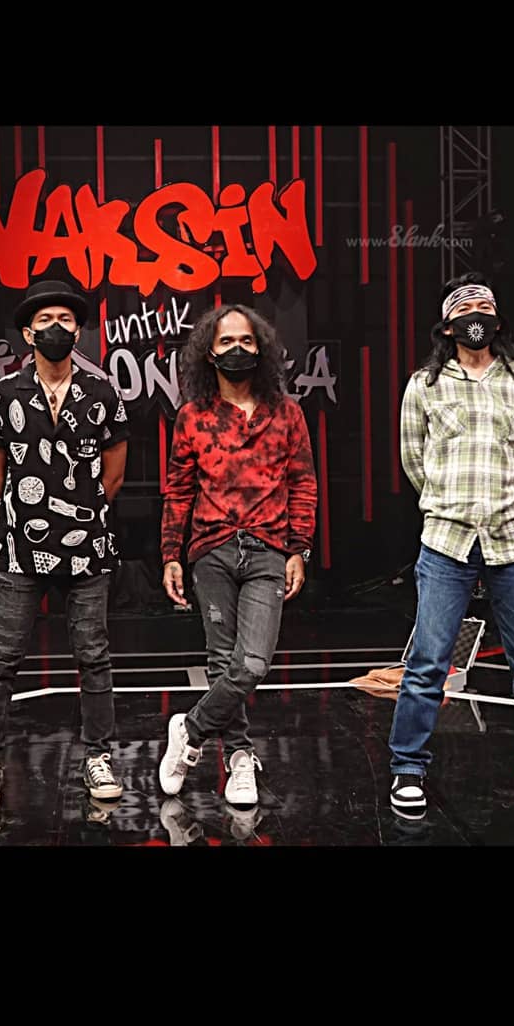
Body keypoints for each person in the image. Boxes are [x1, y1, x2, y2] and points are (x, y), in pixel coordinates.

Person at [388, 273, 514, 821]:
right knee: (428, 663)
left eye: (485, 306)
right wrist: (448, 502)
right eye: (465, 307)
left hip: (513, 537)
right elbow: (413, 460)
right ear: (447, 325)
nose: (476, 315)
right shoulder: (425, 385)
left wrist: (501, 498)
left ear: (498, 321)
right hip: (446, 539)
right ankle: (408, 769)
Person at [0, 279, 129, 809]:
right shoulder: (1, 394)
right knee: (2, 657)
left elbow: (113, 473)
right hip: (19, 545)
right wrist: (28, 512)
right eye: (45, 321)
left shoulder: (103, 392)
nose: (55, 328)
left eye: (65, 320)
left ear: (78, 331)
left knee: (94, 656)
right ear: (27, 333)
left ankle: (99, 756)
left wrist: (80, 513)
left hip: (87, 547)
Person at [157, 304, 317, 809]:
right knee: (222, 660)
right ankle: (240, 756)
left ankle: (190, 730)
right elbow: (178, 490)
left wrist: (299, 548)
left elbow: (303, 484)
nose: (237, 350)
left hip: (269, 548)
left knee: (252, 663)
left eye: (246, 341)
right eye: (226, 342)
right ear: (209, 353)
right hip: (211, 549)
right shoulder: (193, 416)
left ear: (261, 348)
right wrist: (171, 554)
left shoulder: (287, 413)